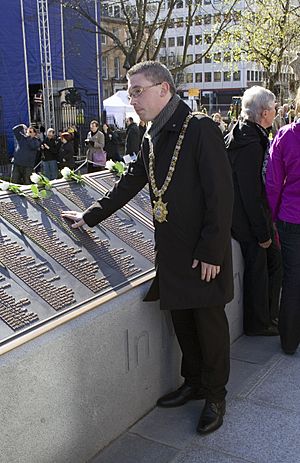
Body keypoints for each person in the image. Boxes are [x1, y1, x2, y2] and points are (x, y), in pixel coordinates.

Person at [62, 61, 234, 435]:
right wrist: (90, 216)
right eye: (129, 92)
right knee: (183, 323)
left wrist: (210, 251)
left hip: (202, 253)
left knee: (209, 325)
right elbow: (130, 184)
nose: (132, 99)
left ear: (164, 89)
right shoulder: (150, 136)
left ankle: (216, 395)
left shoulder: (200, 128)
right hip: (171, 251)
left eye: (137, 90)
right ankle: (194, 383)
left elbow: (221, 195)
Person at [225, 86, 282, 336]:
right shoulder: (250, 142)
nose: (277, 113)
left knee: (271, 263)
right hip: (247, 221)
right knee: (262, 266)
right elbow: (250, 191)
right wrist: (262, 232)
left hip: (244, 216)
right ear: (265, 113)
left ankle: (269, 316)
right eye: (274, 109)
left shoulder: (244, 133)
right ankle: (259, 323)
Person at [266, 87, 300, 355]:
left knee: (292, 280)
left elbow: (274, 184)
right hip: (291, 216)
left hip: (290, 217)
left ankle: (289, 341)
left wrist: (272, 216)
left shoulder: (285, 135)